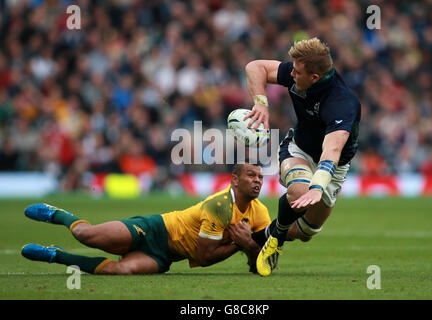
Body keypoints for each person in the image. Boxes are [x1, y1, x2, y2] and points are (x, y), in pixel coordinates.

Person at [21, 162, 273, 275]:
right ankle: (58, 214)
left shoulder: (260, 212)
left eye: (261, 177)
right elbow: (204, 258)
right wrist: (241, 245)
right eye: (251, 175)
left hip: (165, 256)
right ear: (235, 180)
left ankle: (55, 255)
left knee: (122, 270)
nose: (258, 181)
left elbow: (261, 263)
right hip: (155, 229)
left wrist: (250, 246)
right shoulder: (220, 205)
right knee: (86, 235)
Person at [244, 37, 361, 276]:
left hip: (333, 166)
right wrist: (261, 103)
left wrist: (319, 186)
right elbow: (255, 67)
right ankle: (275, 240)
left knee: (305, 232)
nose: (291, 75)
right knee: (300, 191)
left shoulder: (341, 103)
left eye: (296, 72)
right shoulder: (300, 73)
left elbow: (333, 151)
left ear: (314, 77)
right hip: (298, 150)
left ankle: (255, 238)